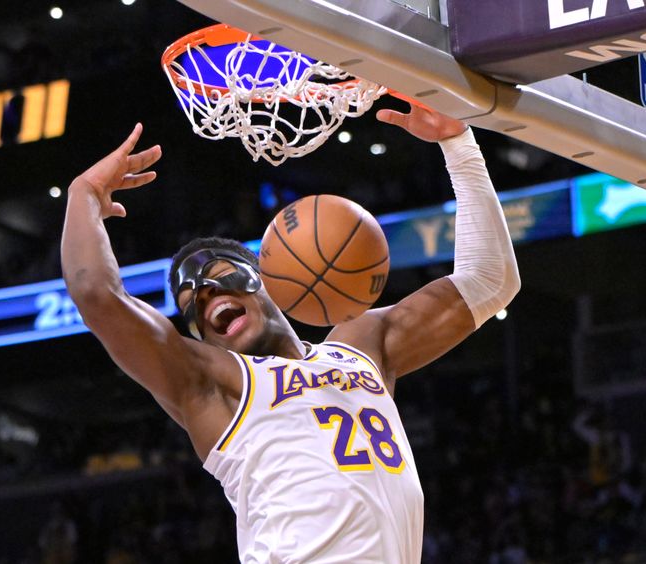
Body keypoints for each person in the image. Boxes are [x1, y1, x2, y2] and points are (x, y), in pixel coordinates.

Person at [61, 106, 520, 563]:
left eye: (216, 277)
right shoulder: (214, 383)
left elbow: (490, 282)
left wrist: (458, 145)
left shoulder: (360, 346)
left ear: (261, 277)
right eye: (190, 305)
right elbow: (98, 296)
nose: (203, 296)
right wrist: (83, 195)